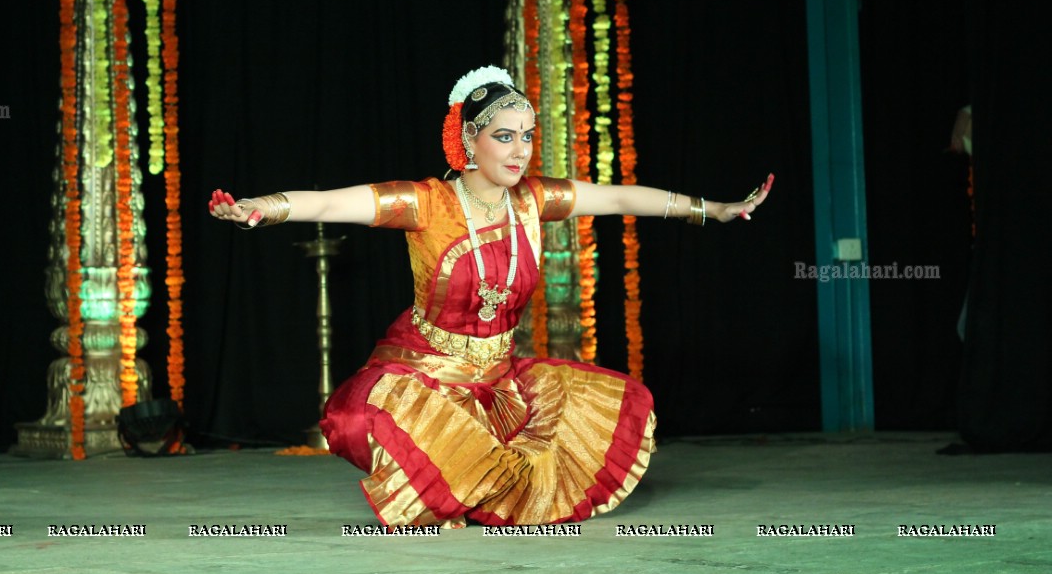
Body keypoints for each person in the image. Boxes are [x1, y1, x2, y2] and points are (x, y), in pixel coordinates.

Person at [209, 66, 773, 528]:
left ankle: (473, 476)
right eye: (504, 136)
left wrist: (713, 209)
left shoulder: (532, 199)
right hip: (428, 372)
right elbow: (331, 203)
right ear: (467, 141)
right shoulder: (426, 202)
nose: (520, 150)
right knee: (361, 419)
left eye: (527, 136)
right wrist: (262, 209)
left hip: (501, 381)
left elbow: (619, 195)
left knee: (610, 407)